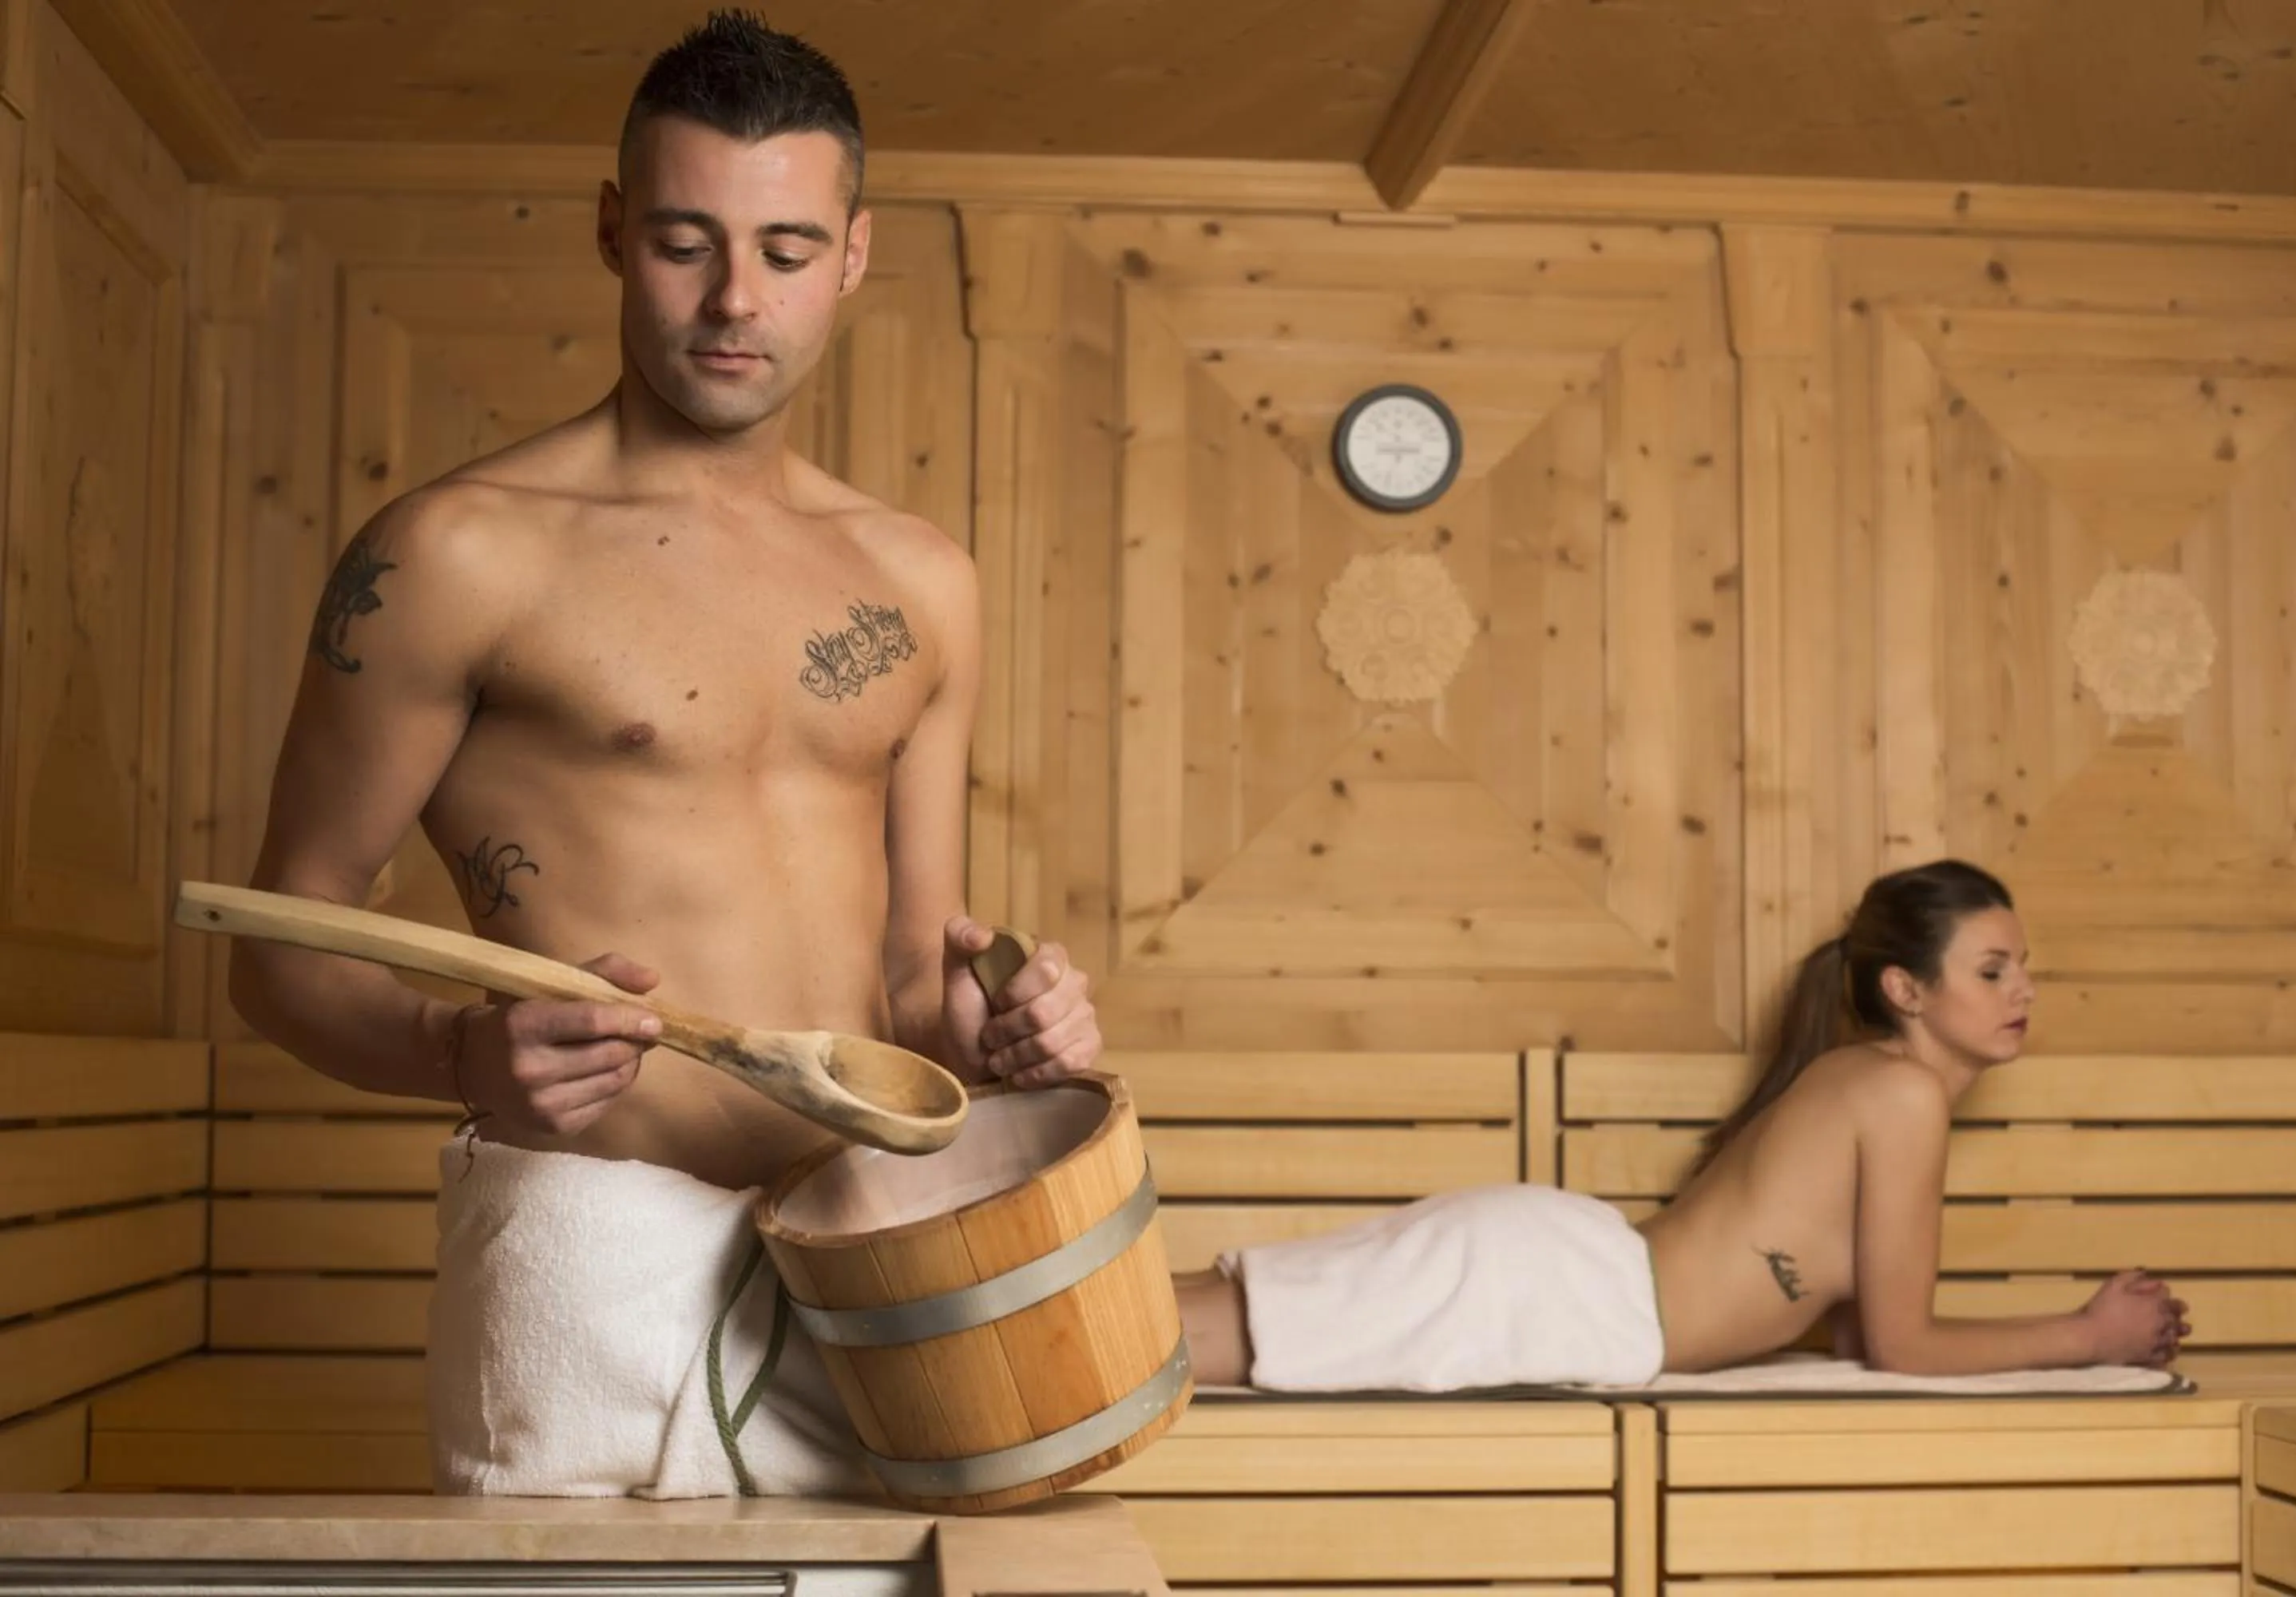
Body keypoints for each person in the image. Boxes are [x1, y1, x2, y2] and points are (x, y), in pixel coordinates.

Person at [228, 11, 1100, 1497]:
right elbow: (275, 945)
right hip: (588, 1249)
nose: (734, 300)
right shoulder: (456, 556)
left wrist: (1003, 1027)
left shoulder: (919, 584)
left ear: (853, 255)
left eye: (783, 248)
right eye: (687, 243)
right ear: (615, 233)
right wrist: (457, 1052)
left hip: (867, 1257)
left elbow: (907, 986)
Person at [1176, 860, 2193, 1390]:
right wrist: (2087, 1333)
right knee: (1174, 1340)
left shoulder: (1874, 1085)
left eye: (2025, 968)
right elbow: (1903, 1345)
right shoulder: (1901, 1094)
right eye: (1992, 969)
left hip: (1562, 1277)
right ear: (1906, 988)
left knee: (1182, 1321)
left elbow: (1856, 1328)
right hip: (1572, 1295)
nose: (2023, 990)